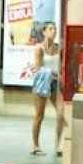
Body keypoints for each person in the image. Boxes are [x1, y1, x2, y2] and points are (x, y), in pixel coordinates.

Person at [30, 21, 65, 156]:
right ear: (44, 32)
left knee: (61, 113)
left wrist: (60, 76)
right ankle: (35, 145)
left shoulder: (59, 48)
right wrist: (53, 73)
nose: (54, 31)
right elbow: (38, 68)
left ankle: (58, 145)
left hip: (55, 83)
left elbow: (62, 66)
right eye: (50, 29)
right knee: (40, 115)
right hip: (43, 82)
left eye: (55, 29)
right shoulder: (39, 49)